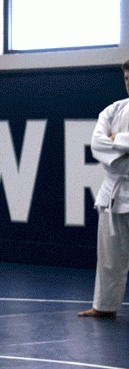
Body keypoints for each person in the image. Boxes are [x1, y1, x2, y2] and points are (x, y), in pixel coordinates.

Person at [79, 60, 129, 319]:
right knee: (110, 257)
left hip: (118, 183)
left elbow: (109, 143)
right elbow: (97, 144)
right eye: (127, 79)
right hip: (114, 192)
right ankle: (105, 305)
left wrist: (117, 140)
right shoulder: (113, 110)